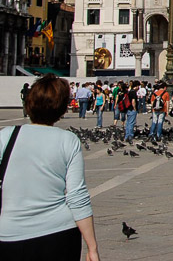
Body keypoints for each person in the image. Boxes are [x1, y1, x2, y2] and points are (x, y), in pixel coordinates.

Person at [0, 75, 100, 260]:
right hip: (58, 234)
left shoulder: (5, 136)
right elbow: (77, 195)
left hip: (8, 234)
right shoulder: (68, 140)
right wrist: (92, 247)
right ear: (62, 108)